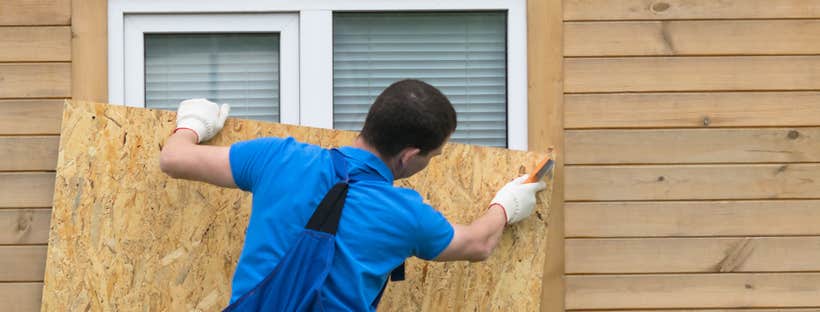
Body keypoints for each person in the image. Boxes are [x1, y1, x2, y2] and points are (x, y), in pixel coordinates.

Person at [159, 79, 546, 311]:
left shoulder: (278, 158)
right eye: (433, 155)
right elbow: (477, 244)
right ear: (410, 156)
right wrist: (506, 204)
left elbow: (174, 159)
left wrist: (193, 123)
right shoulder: (406, 215)